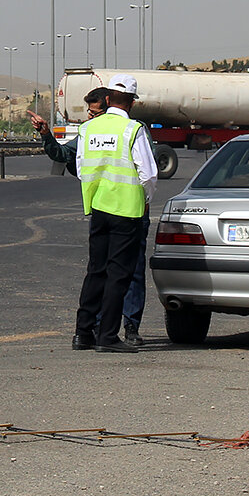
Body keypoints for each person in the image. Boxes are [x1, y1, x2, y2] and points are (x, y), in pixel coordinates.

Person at [28, 74, 156, 353]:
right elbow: (148, 173)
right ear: (132, 102)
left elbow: (81, 166)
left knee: (96, 271)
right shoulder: (132, 130)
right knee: (120, 274)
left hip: (98, 208)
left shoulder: (89, 130)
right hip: (127, 210)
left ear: (108, 98)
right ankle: (108, 335)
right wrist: (145, 200)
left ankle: (83, 333)